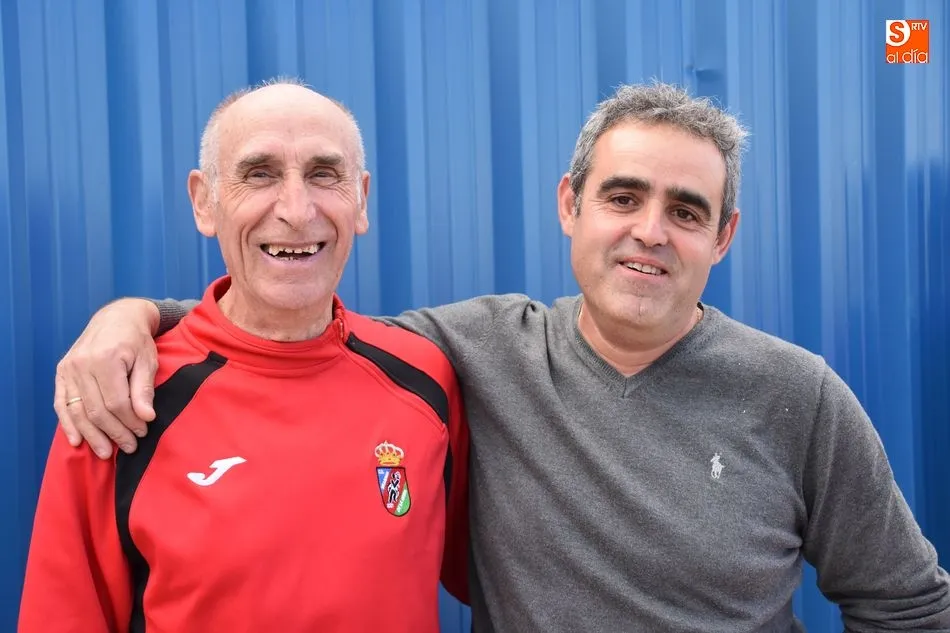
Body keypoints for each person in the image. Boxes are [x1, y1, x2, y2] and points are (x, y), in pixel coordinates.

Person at [54, 81, 950, 632]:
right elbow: (286, 322)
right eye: (623, 197)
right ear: (570, 205)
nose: (650, 231)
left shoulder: (796, 393)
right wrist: (133, 318)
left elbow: (908, 603)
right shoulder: (470, 353)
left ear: (724, 237)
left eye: (686, 211)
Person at [20, 79, 469, 632]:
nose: (297, 210)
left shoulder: (425, 378)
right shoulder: (119, 397)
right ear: (203, 201)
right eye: (259, 174)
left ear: (361, 199)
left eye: (324, 174)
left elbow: (491, 574)